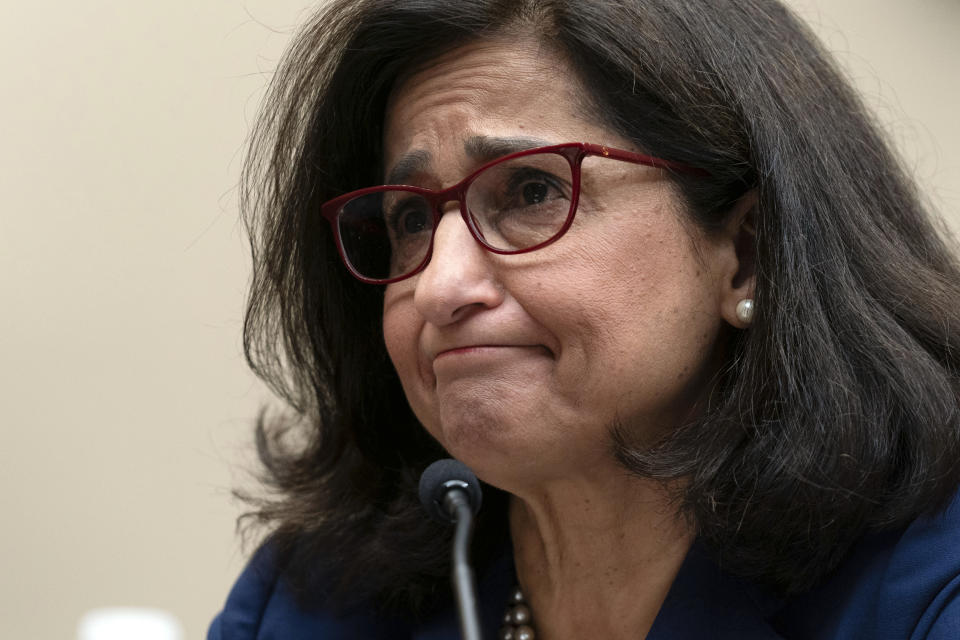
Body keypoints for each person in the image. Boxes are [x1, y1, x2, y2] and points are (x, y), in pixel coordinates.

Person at [208, 0, 960, 638]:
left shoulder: (928, 588)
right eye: (410, 218)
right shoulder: (315, 602)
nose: (439, 287)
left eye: (531, 192)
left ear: (746, 254)